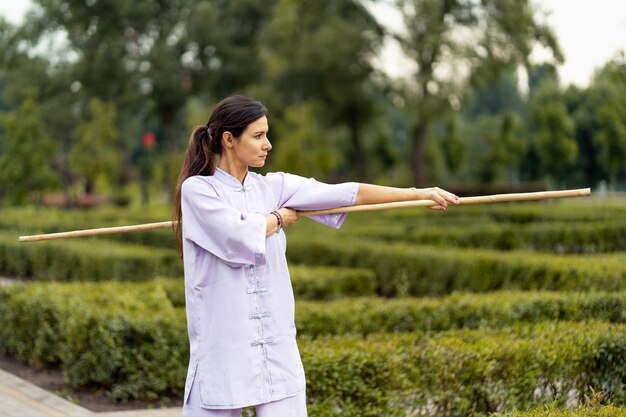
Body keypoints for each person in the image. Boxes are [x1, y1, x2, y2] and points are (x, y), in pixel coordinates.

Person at [173, 95, 459, 417]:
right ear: (229, 139)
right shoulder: (199, 191)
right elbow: (238, 234)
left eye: (267, 135)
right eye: (258, 136)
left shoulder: (274, 186)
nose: (268, 144)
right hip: (224, 341)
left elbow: (348, 193)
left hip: (275, 340)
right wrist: (279, 218)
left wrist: (416, 194)